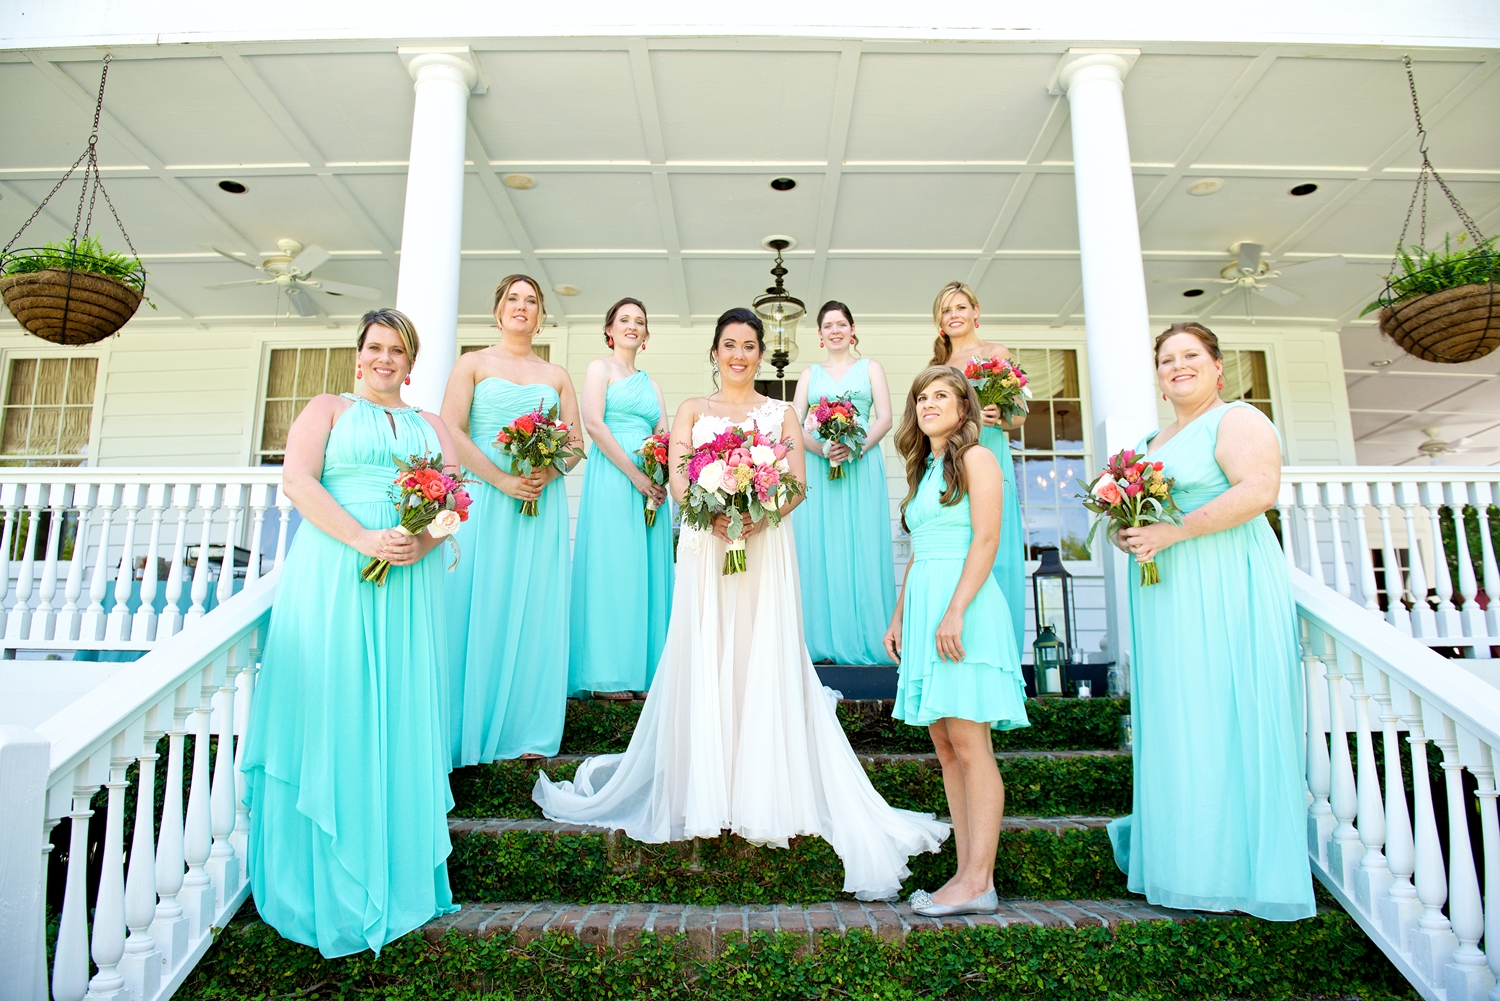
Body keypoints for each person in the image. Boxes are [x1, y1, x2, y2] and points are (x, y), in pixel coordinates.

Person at [533, 307, 948, 900]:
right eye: (729, 344)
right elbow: (680, 474)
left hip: (764, 549)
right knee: (708, 650)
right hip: (706, 547)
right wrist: (710, 513)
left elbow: (798, 484)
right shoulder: (691, 411)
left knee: (760, 652)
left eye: (749, 345)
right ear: (714, 351)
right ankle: (707, 786)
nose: (739, 354)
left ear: (759, 353)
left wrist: (758, 517)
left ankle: (760, 788)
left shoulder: (781, 413)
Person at [241, 308, 461, 957]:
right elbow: (297, 480)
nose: (385, 358)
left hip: (408, 585)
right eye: (375, 347)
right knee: (335, 704)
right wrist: (364, 536)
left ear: (410, 361)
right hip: (336, 571)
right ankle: (326, 879)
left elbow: (456, 504)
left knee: (394, 712)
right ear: (359, 354)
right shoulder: (327, 409)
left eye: (397, 349)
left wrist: (422, 541)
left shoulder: (430, 425)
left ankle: (394, 869)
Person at [1108, 322, 1314, 920]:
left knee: (1220, 710)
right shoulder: (1153, 437)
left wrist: (1176, 531)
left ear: (1218, 366)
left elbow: (1260, 489)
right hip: (1167, 593)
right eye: (1167, 359)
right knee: (1180, 717)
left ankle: (1230, 868)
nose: (1178, 366)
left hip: (1224, 582)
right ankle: (1182, 862)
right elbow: (1153, 510)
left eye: (1190, 355)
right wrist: (1135, 532)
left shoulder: (1237, 419)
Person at [883, 365, 1030, 917]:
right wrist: (900, 615)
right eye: (921, 397)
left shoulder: (977, 458)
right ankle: (967, 874)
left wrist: (956, 611)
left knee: (971, 745)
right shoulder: (925, 470)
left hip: (963, 611)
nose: (928, 403)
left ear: (964, 407)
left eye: (941, 395)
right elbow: (921, 548)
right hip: (927, 610)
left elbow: (987, 537)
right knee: (946, 748)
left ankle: (979, 880)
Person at [440, 275, 583, 765]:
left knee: (534, 608)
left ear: (542, 313)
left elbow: (576, 447)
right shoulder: (473, 363)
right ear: (498, 310)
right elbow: (450, 431)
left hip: (539, 505)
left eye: (531, 301)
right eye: (513, 299)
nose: (522, 307)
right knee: (481, 602)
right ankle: (468, 727)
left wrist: (550, 464)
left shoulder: (557, 374)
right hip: (487, 501)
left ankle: (527, 729)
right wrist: (501, 481)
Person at [569, 297, 673, 699]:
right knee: (614, 569)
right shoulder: (600, 368)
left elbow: (664, 434)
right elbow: (593, 423)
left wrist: (659, 475)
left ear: (646, 335)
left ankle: (645, 672)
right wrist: (634, 475)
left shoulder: (654, 385)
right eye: (624, 319)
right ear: (610, 329)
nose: (633, 325)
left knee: (645, 571)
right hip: (615, 478)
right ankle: (608, 674)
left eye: (640, 321)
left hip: (651, 484)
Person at [791, 301, 896, 665]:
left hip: (861, 465)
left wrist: (855, 449)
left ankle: (869, 638)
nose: (835, 330)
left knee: (863, 546)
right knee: (819, 547)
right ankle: (818, 642)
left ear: (852, 330)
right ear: (819, 335)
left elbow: (885, 418)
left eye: (841, 324)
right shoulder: (809, 375)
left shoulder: (871, 369)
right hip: (820, 471)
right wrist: (821, 449)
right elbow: (794, 426)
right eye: (827, 326)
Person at [929, 282, 1026, 651]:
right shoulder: (937, 366)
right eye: (946, 310)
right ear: (940, 321)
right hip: (953, 459)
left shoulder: (995, 352)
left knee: (991, 542)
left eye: (960, 307)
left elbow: (1018, 417)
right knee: (959, 543)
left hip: (990, 451)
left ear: (975, 312)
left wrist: (1000, 414)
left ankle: (1000, 650)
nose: (954, 315)